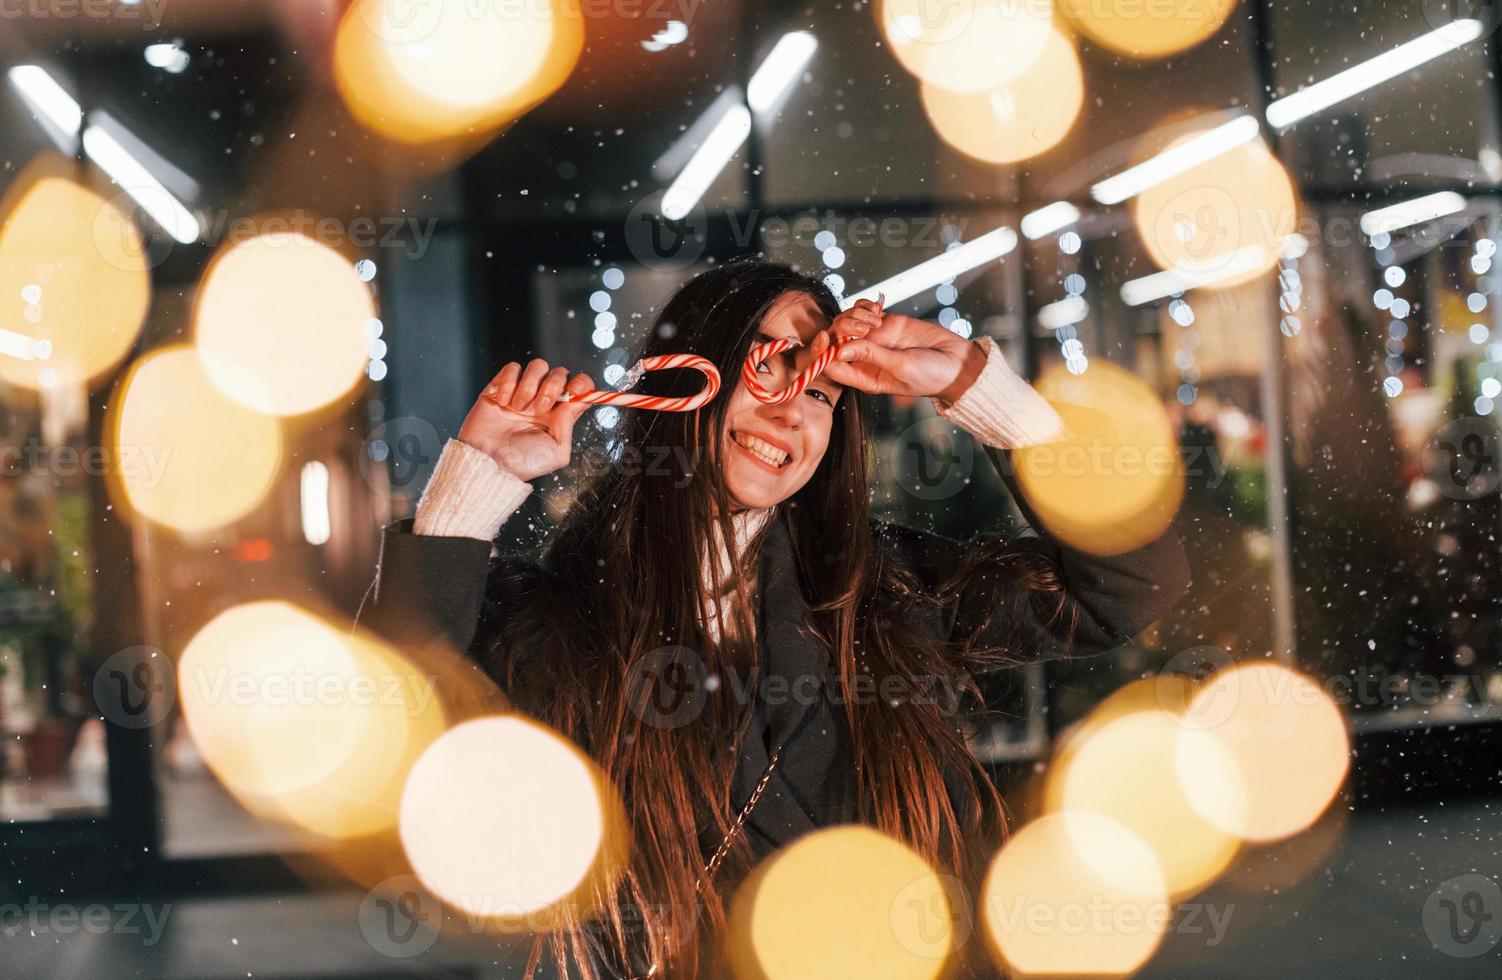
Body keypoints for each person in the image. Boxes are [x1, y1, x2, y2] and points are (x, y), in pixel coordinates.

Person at [359, 259, 1189, 978]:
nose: (794, 411)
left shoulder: (888, 592)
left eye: (823, 393)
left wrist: (984, 389)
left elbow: (1126, 585)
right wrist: (474, 489)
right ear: (685, 381)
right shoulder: (562, 615)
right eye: (770, 368)